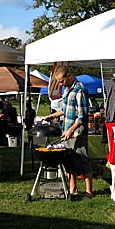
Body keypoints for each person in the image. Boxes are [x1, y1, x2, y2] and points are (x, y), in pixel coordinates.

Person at [42, 67, 94, 199]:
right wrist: (52, 116)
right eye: (59, 82)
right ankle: (72, 189)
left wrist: (71, 131)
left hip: (77, 133)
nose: (60, 84)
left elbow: (81, 117)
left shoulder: (80, 90)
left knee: (82, 160)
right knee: (68, 162)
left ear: (69, 75)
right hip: (66, 132)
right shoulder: (67, 90)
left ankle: (89, 191)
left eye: (61, 81)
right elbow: (66, 110)